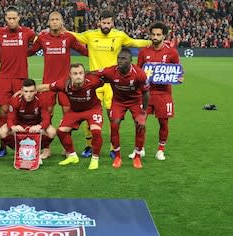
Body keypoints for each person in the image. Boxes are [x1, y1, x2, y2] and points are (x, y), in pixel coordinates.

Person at [69, 10, 151, 158]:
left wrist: (151, 42)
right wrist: (61, 29)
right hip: (94, 82)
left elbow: (134, 42)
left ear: (112, 23)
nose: (106, 25)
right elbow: (73, 36)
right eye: (104, 22)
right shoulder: (89, 35)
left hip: (112, 82)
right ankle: (89, 146)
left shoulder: (119, 35)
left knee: (112, 117)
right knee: (90, 115)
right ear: (99, 22)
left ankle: (114, 148)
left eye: (109, 23)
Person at [27, 11, 88, 159]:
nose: (54, 22)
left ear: (61, 22)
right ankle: (46, 148)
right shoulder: (42, 38)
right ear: (49, 22)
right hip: (47, 84)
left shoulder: (69, 37)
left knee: (68, 114)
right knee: (47, 113)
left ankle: (66, 146)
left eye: (57, 19)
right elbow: (29, 52)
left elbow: (84, 51)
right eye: (52, 19)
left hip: (65, 84)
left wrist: (101, 49)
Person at [36, 63, 105, 170]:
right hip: (75, 111)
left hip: (93, 109)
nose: (78, 76)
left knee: (96, 131)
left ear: (84, 74)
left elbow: (110, 79)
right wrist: (27, 90)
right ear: (70, 75)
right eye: (75, 73)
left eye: (81, 73)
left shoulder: (93, 81)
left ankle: (95, 159)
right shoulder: (64, 84)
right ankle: (72, 156)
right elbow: (46, 87)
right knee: (61, 131)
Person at [131, 22, 181, 161]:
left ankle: (160, 150)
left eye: (158, 34)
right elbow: (138, 70)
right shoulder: (143, 52)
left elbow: (177, 71)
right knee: (140, 121)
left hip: (164, 94)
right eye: (153, 34)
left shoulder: (172, 52)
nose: (155, 37)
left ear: (164, 35)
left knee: (163, 123)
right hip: (146, 93)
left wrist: (179, 77)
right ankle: (139, 149)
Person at [93, 48, 150, 169]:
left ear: (130, 60)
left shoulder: (139, 73)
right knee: (114, 123)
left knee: (141, 124)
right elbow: (95, 73)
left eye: (123, 59)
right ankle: (117, 156)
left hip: (136, 101)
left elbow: (146, 93)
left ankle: (137, 157)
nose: (120, 61)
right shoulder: (111, 71)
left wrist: (143, 112)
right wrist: (81, 73)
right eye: (119, 58)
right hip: (118, 102)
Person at [0, 6, 36, 157]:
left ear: (19, 18)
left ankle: (23, 141)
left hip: (21, 78)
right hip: (4, 78)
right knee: (4, 110)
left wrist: (26, 53)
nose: (11, 21)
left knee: (19, 110)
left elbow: (39, 43)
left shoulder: (27, 32)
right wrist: (0, 57)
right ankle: (3, 146)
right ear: (5, 18)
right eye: (9, 18)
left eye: (14, 18)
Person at [0, 79, 56, 158]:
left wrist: (39, 126)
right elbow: (10, 118)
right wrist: (13, 127)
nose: (28, 94)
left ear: (35, 91)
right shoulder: (15, 99)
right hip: (20, 125)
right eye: (26, 91)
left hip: (35, 125)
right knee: (2, 131)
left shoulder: (42, 99)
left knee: (52, 131)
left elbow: (46, 118)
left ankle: (37, 149)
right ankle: (19, 149)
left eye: (31, 91)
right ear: (21, 91)